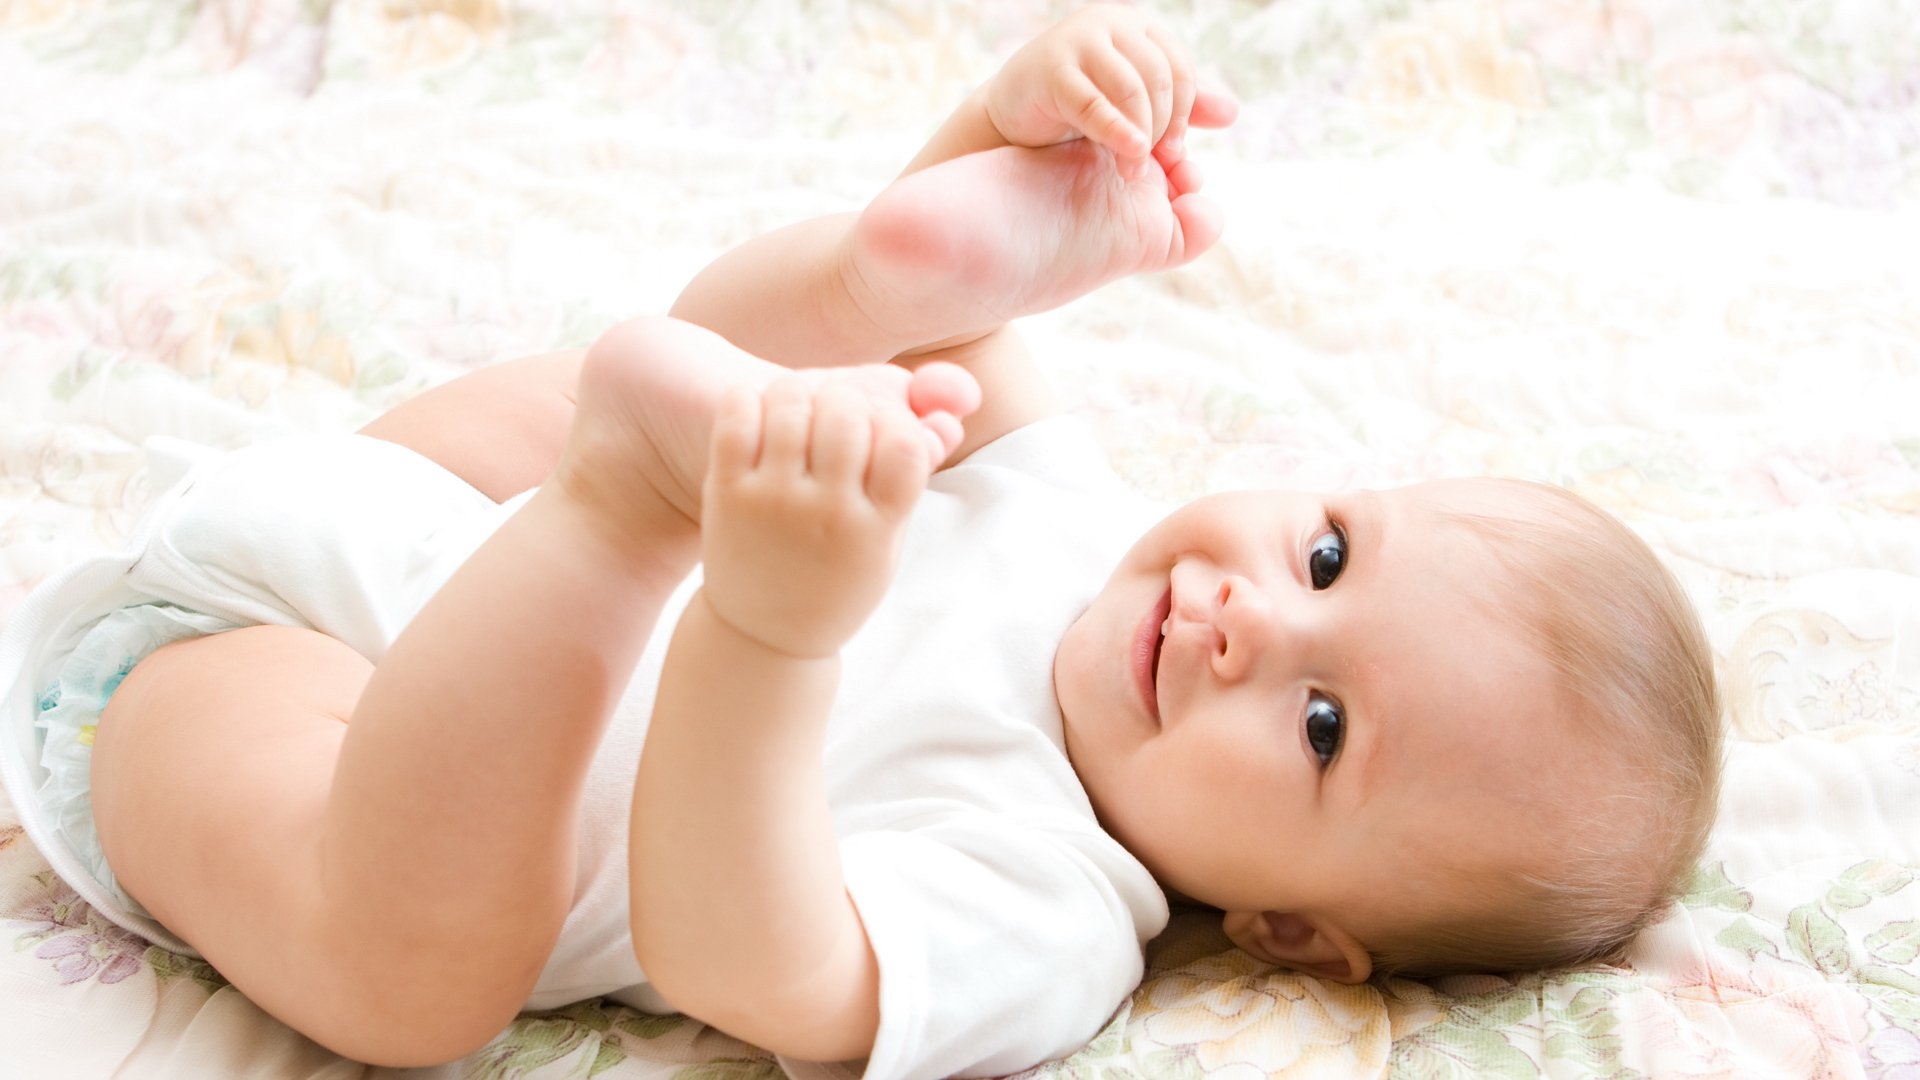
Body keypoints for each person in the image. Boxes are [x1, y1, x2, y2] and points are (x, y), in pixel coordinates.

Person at [0, 6, 1723, 1078]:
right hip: (409, 501)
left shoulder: (1052, 907)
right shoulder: (1062, 493)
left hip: (268, 706)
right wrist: (983, 178)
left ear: (1290, 936)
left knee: (411, 984)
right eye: (1329, 555)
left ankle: (622, 503)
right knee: (826, 350)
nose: (1245, 625)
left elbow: (743, 960)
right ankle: (855, 296)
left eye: (1324, 728)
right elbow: (731, 336)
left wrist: (767, 634)